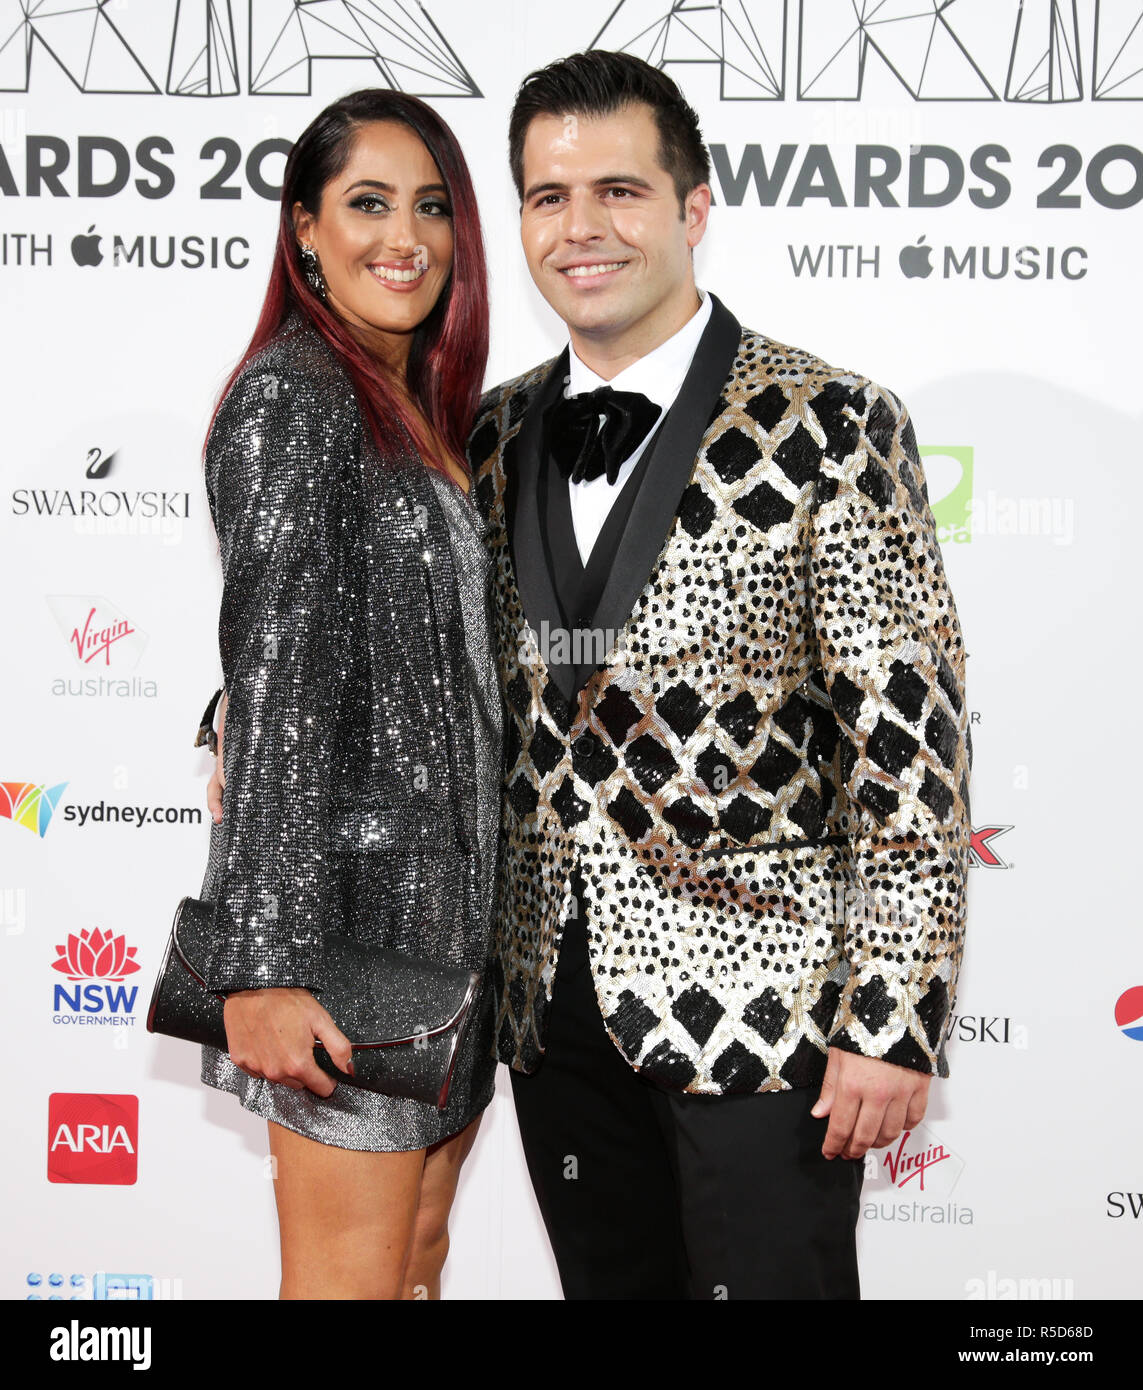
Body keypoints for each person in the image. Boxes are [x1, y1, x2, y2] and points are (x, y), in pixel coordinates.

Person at [465, 50, 973, 1299]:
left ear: (696, 208)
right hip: (553, 1004)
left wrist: (893, 1019)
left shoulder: (832, 421)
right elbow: (420, 657)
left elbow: (905, 741)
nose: (580, 229)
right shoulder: (486, 431)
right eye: (547, 196)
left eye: (621, 191)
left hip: (774, 1018)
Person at [193, 88, 502, 1300]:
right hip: (343, 944)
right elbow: (276, 676)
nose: (404, 236)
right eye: (366, 203)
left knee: (415, 1266)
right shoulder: (296, 396)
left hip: (448, 936)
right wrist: (261, 965)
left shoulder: (420, 409)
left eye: (431, 206)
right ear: (304, 231)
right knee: (346, 1283)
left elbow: (357, 654)